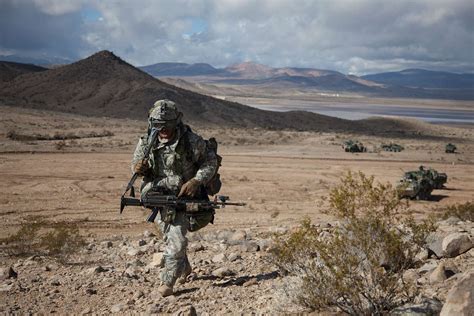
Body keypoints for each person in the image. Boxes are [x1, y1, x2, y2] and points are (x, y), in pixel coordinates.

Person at [131, 99, 218, 297]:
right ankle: (184, 266)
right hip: (156, 198)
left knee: (177, 240)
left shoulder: (191, 142)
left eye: (167, 124)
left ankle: (167, 282)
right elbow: (135, 163)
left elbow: (210, 161)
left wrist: (196, 181)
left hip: (183, 197)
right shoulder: (146, 142)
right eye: (158, 125)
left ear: (176, 122)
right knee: (170, 236)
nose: (163, 129)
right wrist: (138, 167)